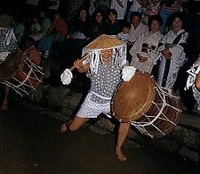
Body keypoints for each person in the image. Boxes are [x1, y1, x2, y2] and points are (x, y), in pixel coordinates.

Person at [60, 34, 136, 161]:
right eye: (103, 50)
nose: (106, 53)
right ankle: (69, 122)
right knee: (73, 128)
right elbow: (83, 69)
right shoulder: (93, 61)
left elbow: (126, 66)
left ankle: (118, 148)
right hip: (93, 100)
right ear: (98, 51)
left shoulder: (120, 61)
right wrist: (79, 66)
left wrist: (128, 68)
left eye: (109, 50)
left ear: (113, 50)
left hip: (111, 102)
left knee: (125, 120)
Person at [156, 12, 188, 90]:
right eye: (174, 21)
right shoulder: (169, 33)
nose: (176, 24)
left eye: (179, 21)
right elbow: (160, 44)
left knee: (170, 88)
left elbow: (180, 48)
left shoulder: (185, 35)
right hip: (164, 62)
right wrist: (165, 51)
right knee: (160, 85)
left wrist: (169, 51)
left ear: (183, 23)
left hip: (175, 65)